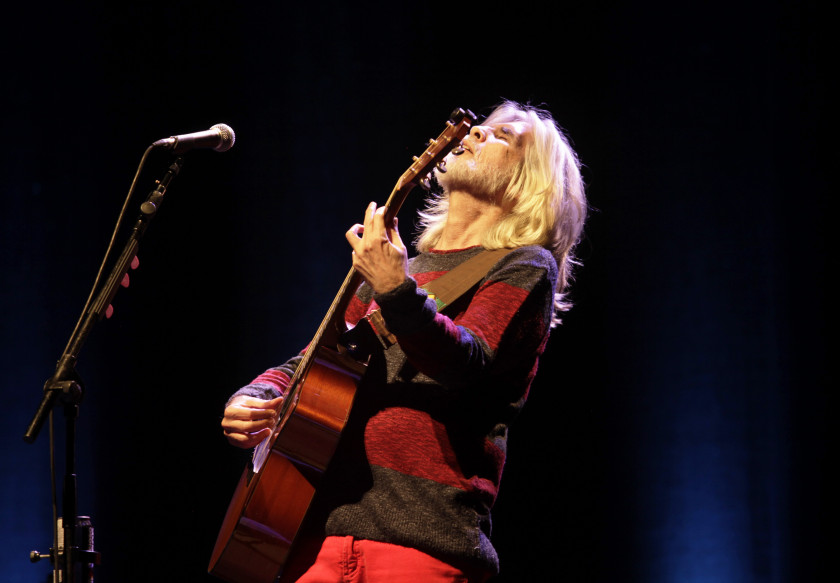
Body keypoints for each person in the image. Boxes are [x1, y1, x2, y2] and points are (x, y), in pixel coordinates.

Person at [220, 100, 587, 582]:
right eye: (481, 128)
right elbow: (315, 364)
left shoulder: (524, 264)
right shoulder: (395, 270)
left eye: (505, 136)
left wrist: (396, 290)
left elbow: (465, 361)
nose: (476, 133)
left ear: (530, 181)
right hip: (315, 540)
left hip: (422, 545)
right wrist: (256, 395)